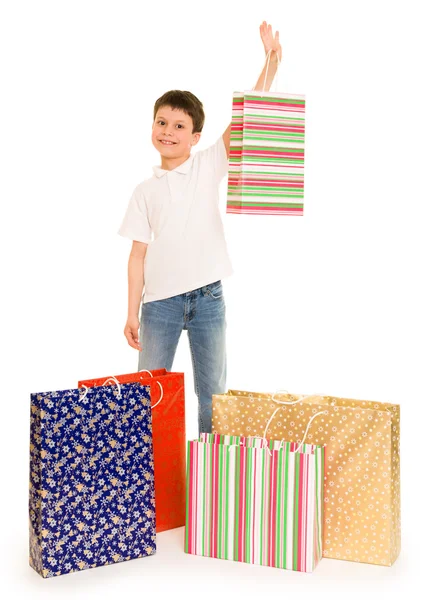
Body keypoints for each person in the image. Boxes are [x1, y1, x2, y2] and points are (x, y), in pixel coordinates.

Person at [119, 21, 282, 434]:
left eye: (178, 126)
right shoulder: (143, 191)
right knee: (149, 394)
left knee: (214, 397)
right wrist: (131, 311)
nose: (168, 132)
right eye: (162, 123)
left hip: (208, 298)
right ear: (151, 128)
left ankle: (214, 484)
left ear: (195, 137)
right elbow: (137, 255)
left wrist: (271, 61)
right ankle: (151, 485)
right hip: (159, 306)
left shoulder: (207, 165)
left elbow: (246, 116)